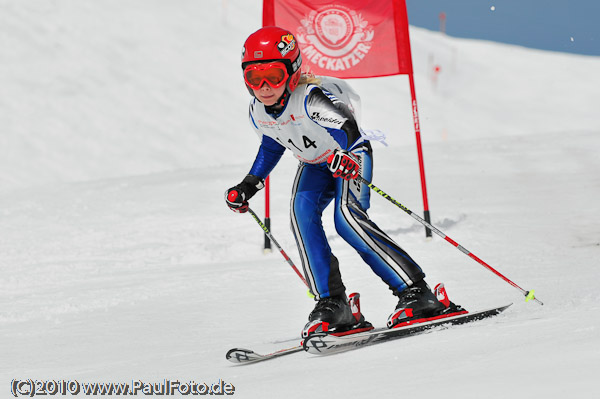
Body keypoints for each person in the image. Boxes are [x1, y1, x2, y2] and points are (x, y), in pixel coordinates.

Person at [225, 26, 464, 336]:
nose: (265, 86)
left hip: (350, 155)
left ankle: (416, 292)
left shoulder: (310, 98)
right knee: (301, 216)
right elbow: (272, 145)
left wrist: (346, 154)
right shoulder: (259, 111)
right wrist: (249, 184)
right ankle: (333, 304)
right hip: (316, 163)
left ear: (293, 71)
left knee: (348, 219)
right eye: (254, 77)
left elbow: (347, 128)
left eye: (273, 74)